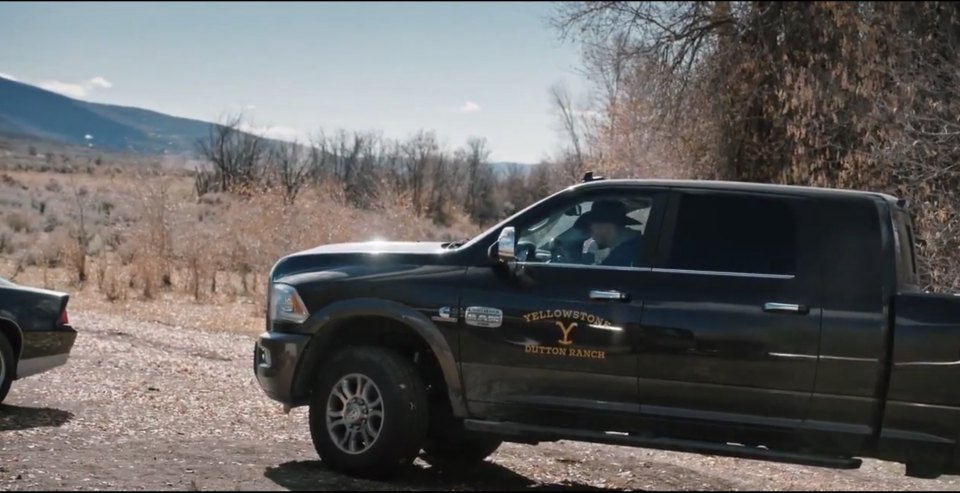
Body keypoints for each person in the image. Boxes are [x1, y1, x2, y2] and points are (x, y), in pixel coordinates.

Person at [576, 200, 643, 267]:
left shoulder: (620, 257)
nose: (592, 237)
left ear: (606, 228)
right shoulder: (639, 246)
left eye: (591, 230)